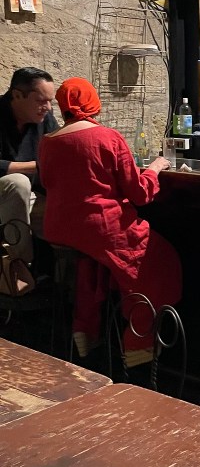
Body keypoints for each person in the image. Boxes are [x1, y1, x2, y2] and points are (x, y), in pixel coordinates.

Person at [38, 78, 181, 362]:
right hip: (100, 227)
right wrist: (155, 167)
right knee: (159, 260)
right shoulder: (107, 137)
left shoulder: (48, 142)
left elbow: (47, 182)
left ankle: (85, 328)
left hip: (60, 230)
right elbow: (139, 193)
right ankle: (139, 342)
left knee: (94, 263)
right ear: (94, 103)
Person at [0, 67, 57, 264]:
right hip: (7, 189)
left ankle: (63, 272)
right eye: (41, 101)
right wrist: (36, 166)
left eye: (50, 101)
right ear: (17, 95)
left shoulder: (44, 117)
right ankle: (20, 266)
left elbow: (57, 151)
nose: (47, 107)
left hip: (34, 192)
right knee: (18, 182)